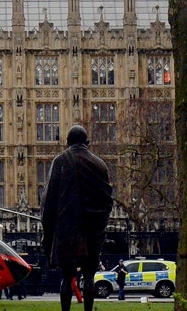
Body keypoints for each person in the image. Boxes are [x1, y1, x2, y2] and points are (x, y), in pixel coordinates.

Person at [42, 125, 113, 311]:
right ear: (87, 143)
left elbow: (49, 200)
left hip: (68, 230)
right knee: (89, 277)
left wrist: (47, 230)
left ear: (67, 142)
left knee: (67, 277)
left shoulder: (61, 161)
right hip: (93, 230)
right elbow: (107, 201)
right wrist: (100, 224)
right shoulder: (100, 164)